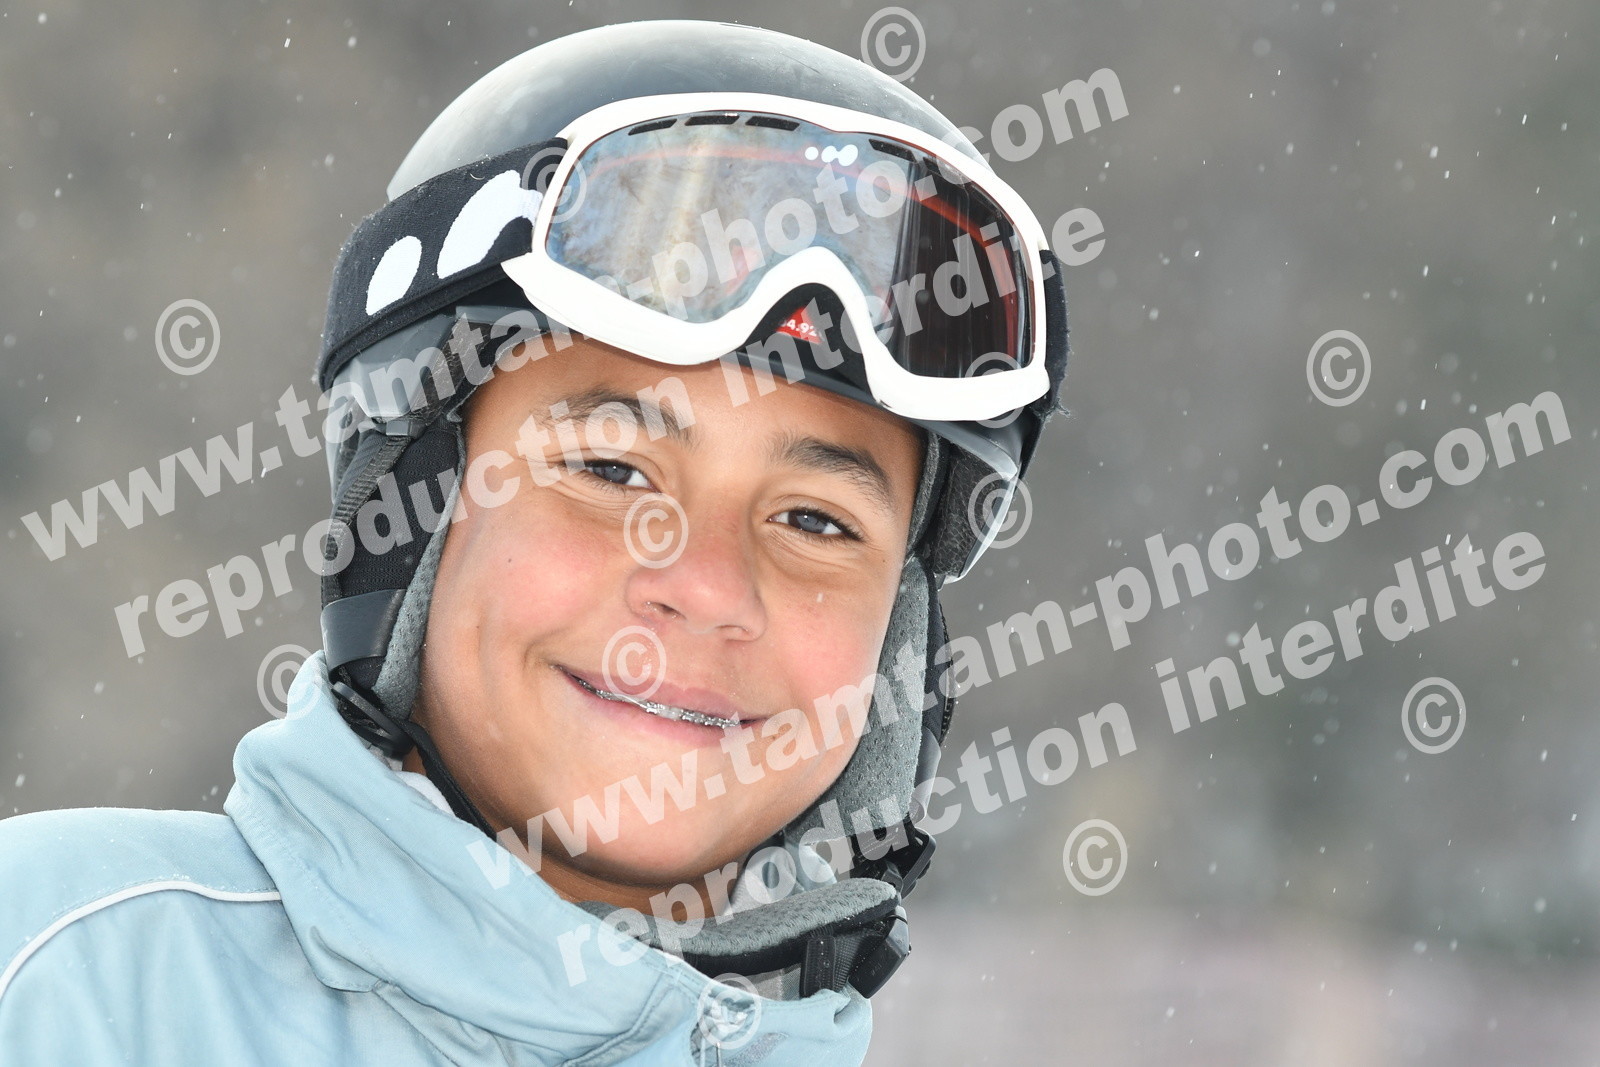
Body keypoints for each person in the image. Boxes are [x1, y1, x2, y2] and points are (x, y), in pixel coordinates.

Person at [0, 19, 1068, 1065]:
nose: (707, 587)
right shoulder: (58, 972)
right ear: (411, 504)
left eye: (814, 521)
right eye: (610, 470)